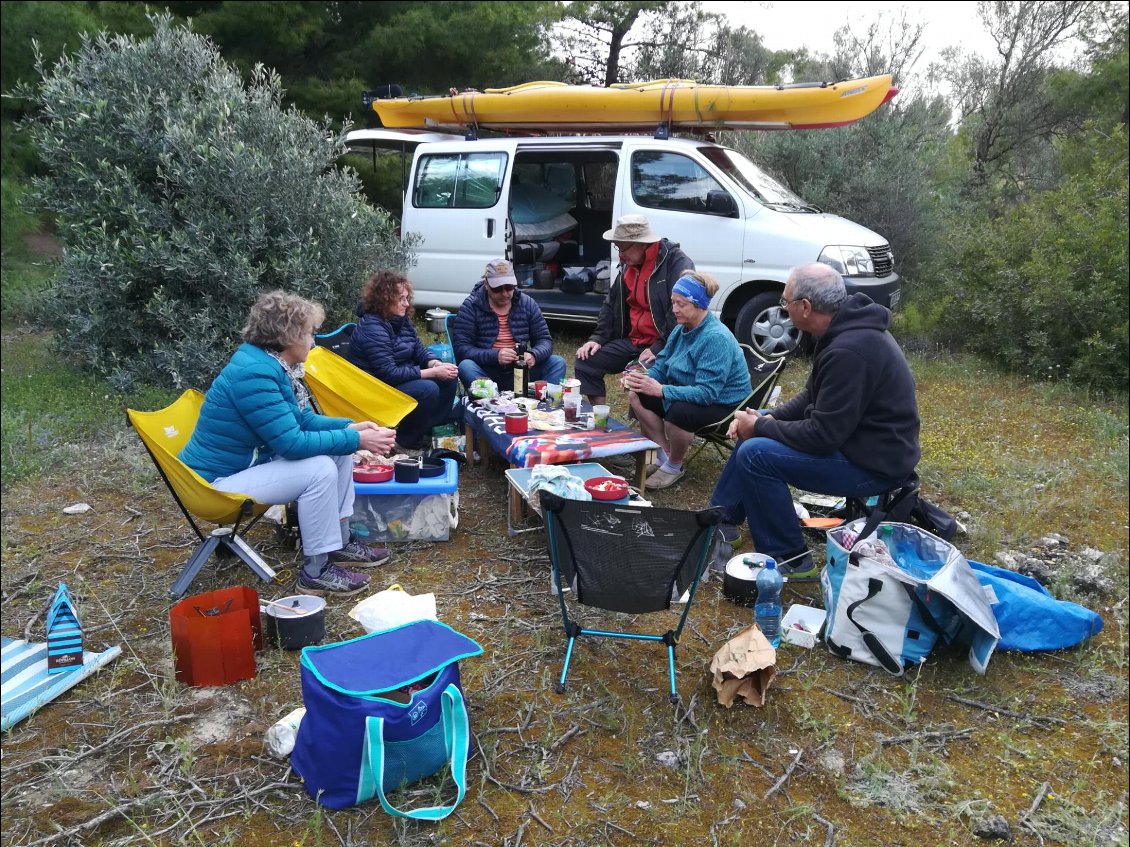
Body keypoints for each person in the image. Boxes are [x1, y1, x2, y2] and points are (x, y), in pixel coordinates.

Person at [180, 290, 397, 597]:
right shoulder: (255, 374)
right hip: (215, 484)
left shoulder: (272, 365)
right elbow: (291, 444)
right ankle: (316, 571)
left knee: (336, 452)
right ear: (288, 335)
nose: (314, 340)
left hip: (245, 466)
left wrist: (349, 427)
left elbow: (301, 421)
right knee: (319, 468)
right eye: (309, 333)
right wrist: (356, 439)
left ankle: (341, 541)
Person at [710, 263, 921, 577]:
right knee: (755, 428)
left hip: (875, 466)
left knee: (756, 455)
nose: (783, 307)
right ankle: (721, 522)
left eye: (786, 302)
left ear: (805, 307)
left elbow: (823, 436)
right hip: (856, 444)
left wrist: (760, 427)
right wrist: (761, 419)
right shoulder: (841, 331)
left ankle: (790, 558)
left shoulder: (850, 350)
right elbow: (810, 398)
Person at [624, 271, 751, 490]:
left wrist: (662, 390)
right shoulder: (680, 330)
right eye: (673, 302)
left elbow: (706, 393)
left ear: (699, 305)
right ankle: (664, 455)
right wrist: (642, 381)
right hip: (692, 392)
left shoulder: (715, 338)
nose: (674, 309)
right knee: (637, 394)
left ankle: (674, 466)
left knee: (679, 411)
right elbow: (662, 365)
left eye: (681, 304)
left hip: (725, 404)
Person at [574, 214, 694, 405]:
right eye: (618, 248)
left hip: (666, 344)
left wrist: (658, 347)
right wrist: (597, 338)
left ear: (642, 243)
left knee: (638, 382)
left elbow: (680, 311)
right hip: (634, 341)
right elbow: (611, 302)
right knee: (586, 361)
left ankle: (650, 430)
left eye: (623, 248)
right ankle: (600, 419)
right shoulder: (629, 263)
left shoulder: (675, 262)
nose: (620, 255)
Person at [348, 269, 459, 455]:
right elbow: (388, 373)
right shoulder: (372, 327)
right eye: (401, 299)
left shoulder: (401, 320)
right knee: (427, 390)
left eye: (407, 298)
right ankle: (406, 442)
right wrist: (430, 373)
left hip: (398, 378)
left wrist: (435, 364)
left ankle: (428, 432)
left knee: (449, 376)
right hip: (376, 387)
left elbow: (419, 350)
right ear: (384, 299)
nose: (406, 304)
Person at [452, 258, 567, 392]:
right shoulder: (471, 306)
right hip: (486, 371)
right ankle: (491, 401)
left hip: (522, 370)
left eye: (509, 287)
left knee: (557, 363)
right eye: (497, 289)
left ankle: (544, 407)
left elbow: (545, 340)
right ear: (486, 284)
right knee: (466, 366)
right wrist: (495, 356)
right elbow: (461, 349)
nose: (505, 294)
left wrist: (534, 355)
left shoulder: (527, 303)